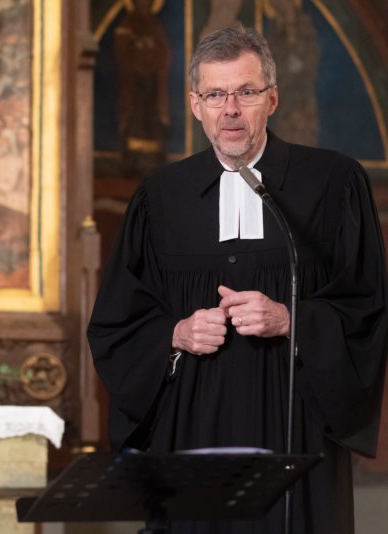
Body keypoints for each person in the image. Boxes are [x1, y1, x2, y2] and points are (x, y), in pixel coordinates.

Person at [87, 24, 388, 534]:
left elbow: (369, 310)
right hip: (189, 435)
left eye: (246, 92)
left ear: (272, 99)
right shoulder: (160, 197)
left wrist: (290, 319)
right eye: (215, 94)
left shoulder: (333, 184)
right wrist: (177, 334)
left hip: (296, 431)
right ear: (195, 105)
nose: (230, 109)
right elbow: (117, 325)